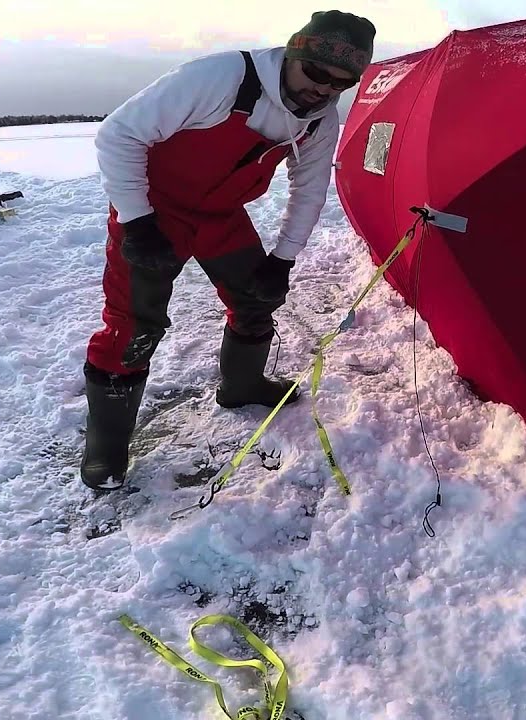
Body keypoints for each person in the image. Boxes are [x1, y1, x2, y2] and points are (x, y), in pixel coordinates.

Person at [79, 10, 377, 491]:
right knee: (133, 329)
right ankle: (106, 447)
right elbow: (118, 134)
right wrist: (137, 222)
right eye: (316, 73)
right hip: (154, 213)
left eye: (340, 84)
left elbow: (309, 188)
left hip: (222, 217)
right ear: (293, 53)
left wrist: (282, 260)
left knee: (257, 299)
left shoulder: (319, 120)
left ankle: (242, 388)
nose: (323, 90)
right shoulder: (221, 78)